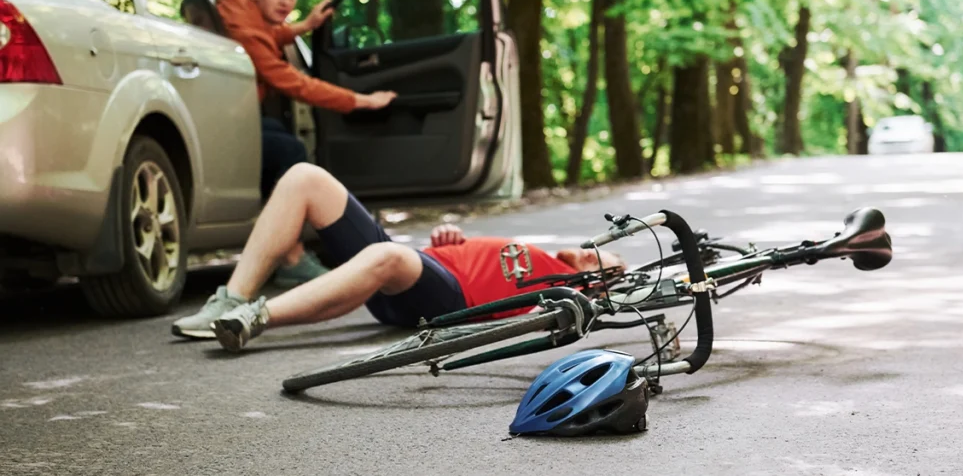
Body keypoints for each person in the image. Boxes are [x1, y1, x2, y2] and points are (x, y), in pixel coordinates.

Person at [170, 163, 626, 348]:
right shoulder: (546, 257)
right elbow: (476, 256)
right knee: (305, 177)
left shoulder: (566, 292)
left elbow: (603, 306)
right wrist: (451, 237)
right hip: (421, 267)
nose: (596, 255)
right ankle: (231, 296)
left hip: (448, 300)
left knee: (388, 256)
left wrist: (608, 282)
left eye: (606, 262)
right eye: (598, 254)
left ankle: (254, 318)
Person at [216, 0, 399, 289]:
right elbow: (293, 82)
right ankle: (292, 258)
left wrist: (303, 26)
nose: (286, 2)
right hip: (222, 123)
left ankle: (289, 247)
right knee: (289, 150)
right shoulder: (243, 27)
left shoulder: (241, 9)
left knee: (275, 134)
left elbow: (268, 33)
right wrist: (360, 101)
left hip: (236, 116)